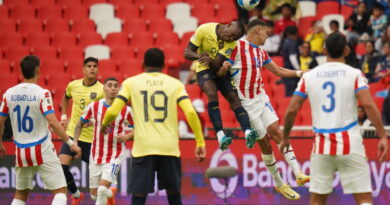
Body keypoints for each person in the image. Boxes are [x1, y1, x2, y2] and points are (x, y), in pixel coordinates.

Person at [280, 32, 388, 205]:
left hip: (322, 147)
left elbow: (292, 109)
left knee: (317, 201)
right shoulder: (354, 74)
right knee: (364, 200)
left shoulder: (309, 76)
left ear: (323, 50)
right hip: (350, 145)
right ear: (346, 50)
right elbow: (368, 105)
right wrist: (382, 135)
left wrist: (285, 137)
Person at [101, 48, 206, 205]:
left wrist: (104, 124)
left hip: (144, 148)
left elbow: (113, 110)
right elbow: (190, 112)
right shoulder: (175, 84)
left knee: (139, 195)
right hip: (169, 148)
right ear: (164, 65)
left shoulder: (130, 83)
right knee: (174, 194)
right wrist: (200, 142)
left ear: (143, 64)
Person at [220, 19, 310, 200]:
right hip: (246, 105)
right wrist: (224, 68)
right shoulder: (236, 47)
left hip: (261, 97)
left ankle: (298, 173)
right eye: (266, 33)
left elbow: (278, 71)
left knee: (277, 132)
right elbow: (220, 74)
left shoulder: (261, 52)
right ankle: (279, 183)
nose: (267, 37)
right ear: (258, 30)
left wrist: (302, 73)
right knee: (265, 143)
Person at [0, 55, 81, 205]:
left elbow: (1, 121)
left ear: (21, 71)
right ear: (38, 70)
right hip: (42, 149)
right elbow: (53, 122)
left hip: (21, 150)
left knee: (20, 194)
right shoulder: (41, 93)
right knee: (60, 192)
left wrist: (0, 143)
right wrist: (71, 143)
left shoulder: (9, 94)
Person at [184, 21, 258, 150]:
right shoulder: (204, 29)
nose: (229, 39)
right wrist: (199, 56)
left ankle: (247, 132)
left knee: (233, 98)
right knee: (212, 94)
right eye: (230, 35)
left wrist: (210, 60)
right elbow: (187, 52)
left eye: (233, 38)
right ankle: (220, 135)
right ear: (228, 25)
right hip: (203, 68)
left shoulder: (232, 43)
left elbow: (217, 64)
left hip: (219, 69)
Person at [74, 77, 133, 205]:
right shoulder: (94, 106)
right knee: (95, 195)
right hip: (95, 154)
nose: (113, 88)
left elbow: (139, 128)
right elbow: (79, 124)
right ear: (104, 88)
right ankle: (110, 195)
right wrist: (74, 142)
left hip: (115, 154)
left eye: (115, 86)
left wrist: (127, 136)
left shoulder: (125, 109)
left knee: (101, 190)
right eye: (110, 85)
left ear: (119, 89)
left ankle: (107, 192)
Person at [59, 57, 104, 204]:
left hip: (92, 140)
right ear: (83, 69)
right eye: (89, 66)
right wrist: (64, 116)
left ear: (97, 70)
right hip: (72, 134)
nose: (92, 68)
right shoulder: (73, 85)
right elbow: (65, 98)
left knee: (98, 184)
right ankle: (77, 194)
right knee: (61, 167)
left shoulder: (102, 90)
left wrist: (95, 121)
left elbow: (107, 112)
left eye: (95, 66)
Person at [281, 25, 300, 96]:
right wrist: (298, 69)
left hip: (286, 72)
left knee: (288, 93)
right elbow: (292, 57)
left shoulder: (285, 42)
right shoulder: (292, 43)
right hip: (292, 73)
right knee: (293, 94)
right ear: (296, 33)